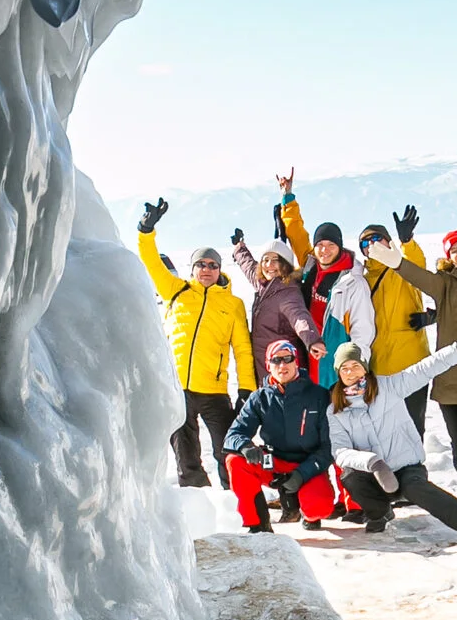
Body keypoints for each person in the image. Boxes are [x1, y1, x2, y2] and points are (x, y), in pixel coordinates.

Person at [367, 227, 457, 507]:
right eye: (453, 250)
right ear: (448, 257)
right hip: (450, 374)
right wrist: (396, 260)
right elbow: (418, 277)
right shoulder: (445, 283)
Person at [327, 333, 457, 545]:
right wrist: (373, 462)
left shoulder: (388, 387)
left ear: (365, 366)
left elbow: (424, 369)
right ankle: (380, 513)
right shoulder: (336, 410)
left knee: (417, 488)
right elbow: (340, 451)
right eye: (344, 368)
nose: (350, 372)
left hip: (406, 469)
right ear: (338, 373)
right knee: (350, 477)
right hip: (374, 474)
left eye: (355, 365)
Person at [137, 199, 255, 488]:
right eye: (201, 264)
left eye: (212, 265)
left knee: (227, 449)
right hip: (178, 388)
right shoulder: (176, 292)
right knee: (185, 454)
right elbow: (151, 261)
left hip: (214, 390)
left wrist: (246, 388)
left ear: (219, 270)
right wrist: (146, 229)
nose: (206, 270)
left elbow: (242, 349)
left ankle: (238, 502)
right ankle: (198, 506)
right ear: (192, 268)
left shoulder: (233, 304)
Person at [225, 339, 339, 532]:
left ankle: (307, 513)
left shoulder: (319, 396)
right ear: (268, 365)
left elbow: (329, 446)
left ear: (297, 362)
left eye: (287, 359)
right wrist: (245, 446)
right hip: (274, 462)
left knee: (319, 508)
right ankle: (257, 524)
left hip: (308, 464)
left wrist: (302, 474)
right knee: (235, 461)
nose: (282, 365)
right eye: (276, 360)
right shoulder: (259, 397)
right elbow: (234, 434)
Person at [275, 171, 373, 381]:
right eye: (320, 245)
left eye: (330, 245)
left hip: (336, 362)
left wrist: (356, 368)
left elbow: (363, 329)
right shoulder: (311, 265)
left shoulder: (353, 281)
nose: (324, 250)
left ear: (339, 246)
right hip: (308, 352)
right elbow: (296, 233)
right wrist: (287, 197)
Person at [358, 205, 431, 436]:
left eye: (377, 239)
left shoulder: (402, 269)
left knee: (413, 429)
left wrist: (407, 241)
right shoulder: (360, 279)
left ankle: (416, 472)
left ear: (389, 242)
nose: (372, 245)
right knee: (384, 432)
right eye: (365, 243)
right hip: (379, 369)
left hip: (412, 364)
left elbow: (417, 264)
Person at [230, 226, 325, 380]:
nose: (269, 265)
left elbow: (300, 317)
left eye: (276, 260)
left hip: (284, 370)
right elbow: (248, 265)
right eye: (265, 260)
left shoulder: (289, 292)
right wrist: (239, 247)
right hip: (266, 369)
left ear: (286, 264)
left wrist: (313, 340)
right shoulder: (263, 283)